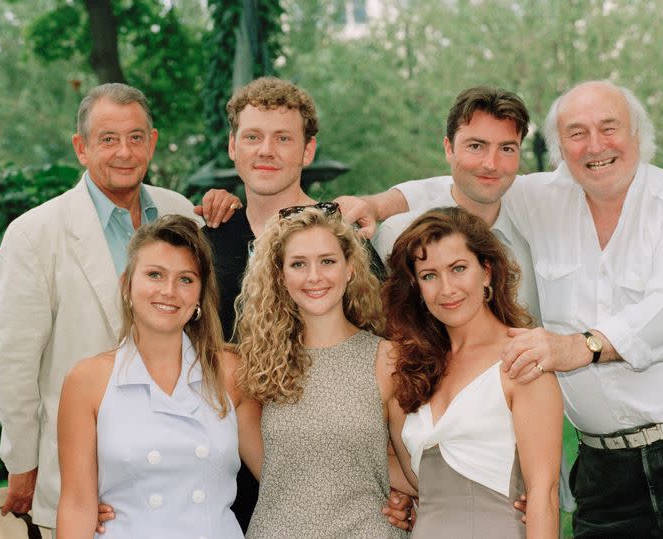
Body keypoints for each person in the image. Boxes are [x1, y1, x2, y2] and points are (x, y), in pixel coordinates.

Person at [496, 81, 663, 536]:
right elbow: (472, 185)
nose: (595, 146)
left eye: (609, 128)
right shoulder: (540, 199)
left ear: (638, 134)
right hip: (604, 475)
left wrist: (579, 347)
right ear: (560, 147)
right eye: (577, 133)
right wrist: (382, 203)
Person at [0, 83, 199, 532]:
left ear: (153, 142)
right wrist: (22, 461)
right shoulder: (33, 235)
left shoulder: (182, 214)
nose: (124, 151)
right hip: (82, 474)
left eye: (136, 137)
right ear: (81, 148)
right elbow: (13, 364)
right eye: (108, 139)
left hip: (176, 467)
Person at [202, 76, 387, 529]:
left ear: (308, 151)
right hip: (219, 476)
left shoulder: (346, 244)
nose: (266, 150)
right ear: (232, 146)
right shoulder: (208, 242)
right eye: (253, 137)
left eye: (283, 138)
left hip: (333, 484)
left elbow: (386, 368)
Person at [56, 215, 261, 538]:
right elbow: (77, 504)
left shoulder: (230, 372)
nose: (169, 291)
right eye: (154, 275)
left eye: (185, 279)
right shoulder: (88, 380)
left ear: (199, 294)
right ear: (127, 285)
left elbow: (279, 477)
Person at [234, 205, 412, 539]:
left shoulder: (387, 358)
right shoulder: (256, 367)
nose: (314, 276)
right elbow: (276, 476)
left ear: (350, 269)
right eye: (298, 264)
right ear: (280, 275)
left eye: (327, 261)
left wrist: (411, 501)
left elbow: (411, 471)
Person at [384, 207, 561, 539]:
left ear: (487, 272)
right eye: (429, 275)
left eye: (458, 268)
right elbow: (408, 475)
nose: (446, 288)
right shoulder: (415, 368)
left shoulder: (521, 362)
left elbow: (544, 498)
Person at [371, 86, 540, 322]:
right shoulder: (397, 235)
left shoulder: (538, 241)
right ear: (448, 148)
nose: (491, 163)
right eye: (476, 146)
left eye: (507, 149)